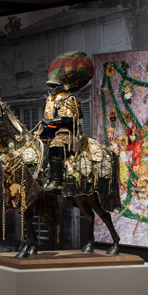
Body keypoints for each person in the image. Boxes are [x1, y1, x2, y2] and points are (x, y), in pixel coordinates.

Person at [39, 51, 92, 194]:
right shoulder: (50, 99)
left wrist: (52, 121)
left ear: (64, 86)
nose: (52, 88)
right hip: (50, 130)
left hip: (65, 131)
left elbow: (70, 119)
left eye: (55, 85)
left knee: (57, 144)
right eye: (51, 86)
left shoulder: (70, 98)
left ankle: (57, 182)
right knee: (31, 143)